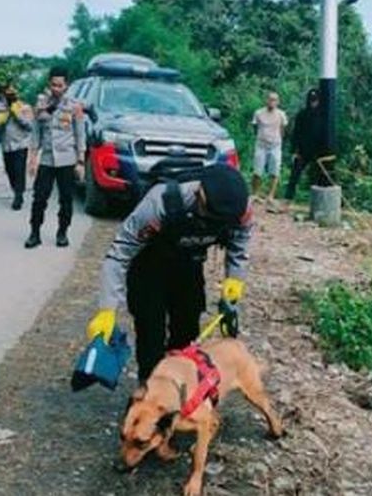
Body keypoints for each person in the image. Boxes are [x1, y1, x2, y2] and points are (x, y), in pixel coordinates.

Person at [85, 163, 252, 382]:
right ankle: (149, 398)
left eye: (218, 219)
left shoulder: (238, 209)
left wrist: (234, 278)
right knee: (151, 340)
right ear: (198, 192)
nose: (211, 221)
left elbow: (240, 242)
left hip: (189, 267)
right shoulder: (161, 201)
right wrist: (107, 310)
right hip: (148, 267)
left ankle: (178, 396)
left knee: (186, 337)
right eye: (208, 213)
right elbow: (119, 254)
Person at [25, 66, 86, 249]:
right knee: (39, 198)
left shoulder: (75, 106)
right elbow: (36, 132)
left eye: (60, 85)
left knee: (66, 199)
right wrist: (33, 158)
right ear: (49, 84)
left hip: (67, 159)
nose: (56, 88)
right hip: (47, 160)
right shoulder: (41, 106)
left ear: (66, 85)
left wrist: (81, 161)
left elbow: (80, 134)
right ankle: (34, 233)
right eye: (53, 85)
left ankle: (62, 233)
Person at [0, 85, 35, 210]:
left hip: (20, 144)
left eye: (12, 94)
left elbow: (30, 126)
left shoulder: (24, 107)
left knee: (19, 170)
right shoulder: (0, 108)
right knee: (10, 171)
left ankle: (19, 195)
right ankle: (16, 190)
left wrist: (17, 115)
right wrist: (2, 117)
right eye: (7, 94)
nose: (10, 96)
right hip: (6, 145)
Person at [284, 88, 326, 203]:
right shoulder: (302, 114)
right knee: (294, 175)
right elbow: (296, 133)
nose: (314, 102)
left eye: (316, 99)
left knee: (319, 176)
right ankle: (288, 198)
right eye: (312, 99)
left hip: (318, 152)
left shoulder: (323, 116)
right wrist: (294, 151)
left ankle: (317, 201)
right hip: (302, 151)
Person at [251, 91, 288, 212]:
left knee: (275, 171)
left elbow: (283, 129)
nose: (272, 102)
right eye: (270, 99)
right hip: (261, 144)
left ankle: (270, 196)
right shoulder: (258, 113)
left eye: (274, 100)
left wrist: (278, 140)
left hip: (275, 145)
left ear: (278, 102)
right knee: (257, 171)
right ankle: (255, 194)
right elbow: (255, 127)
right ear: (266, 100)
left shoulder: (281, 114)